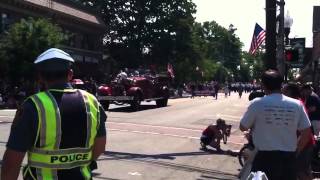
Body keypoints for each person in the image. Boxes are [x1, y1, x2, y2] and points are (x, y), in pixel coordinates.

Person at [1, 48, 107, 180]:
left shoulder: (32, 106)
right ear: (70, 74)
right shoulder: (92, 102)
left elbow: (12, 162)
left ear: (40, 77)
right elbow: (100, 146)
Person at [239, 70, 311, 180]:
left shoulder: (257, 103)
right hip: (288, 158)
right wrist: (296, 151)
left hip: (263, 158)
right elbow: (306, 133)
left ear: (263, 85)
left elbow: (243, 126)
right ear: (281, 85)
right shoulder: (297, 104)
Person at [282, 82, 315, 180]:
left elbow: (304, 130)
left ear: (289, 91)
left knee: (300, 171)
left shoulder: (296, 103)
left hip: (304, 143)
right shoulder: (297, 102)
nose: (282, 91)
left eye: (284, 89)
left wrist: (297, 149)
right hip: (304, 142)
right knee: (304, 170)